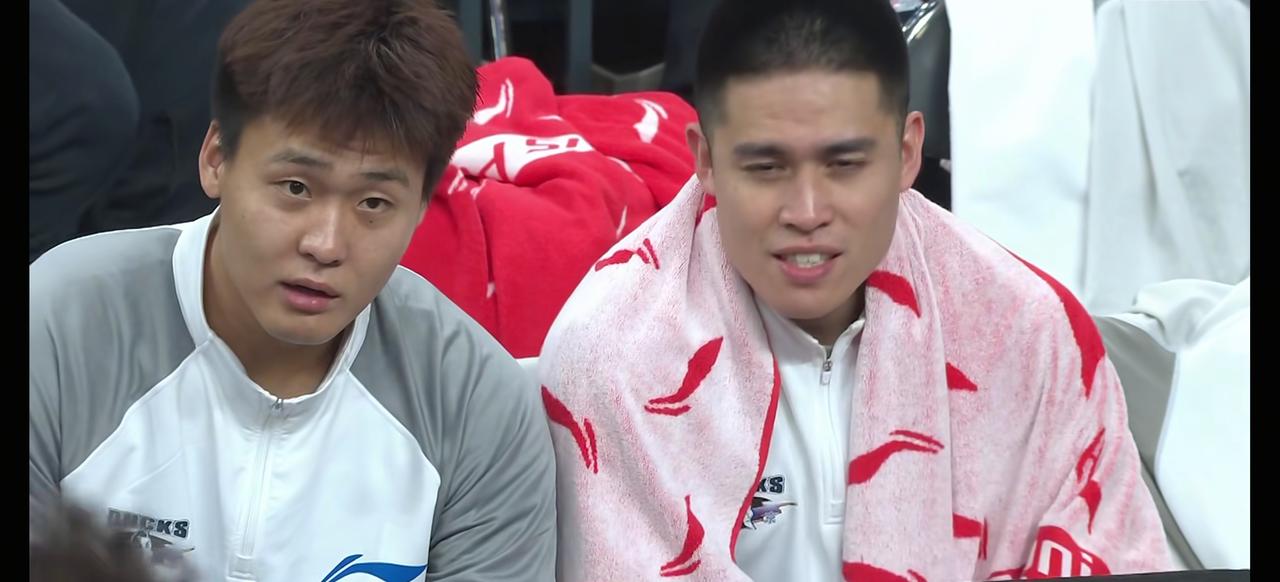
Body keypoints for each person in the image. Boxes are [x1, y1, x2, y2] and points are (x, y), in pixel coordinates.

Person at [538, 0, 1171, 579]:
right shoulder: (613, 357)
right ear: (705, 160)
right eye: (766, 167)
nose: (807, 211)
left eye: (844, 165)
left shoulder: (1030, 334)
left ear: (907, 152)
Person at [29, 1, 556, 580]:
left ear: (422, 207)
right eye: (296, 187)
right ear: (216, 159)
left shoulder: (476, 404)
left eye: (374, 203)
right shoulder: (55, 328)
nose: (326, 244)